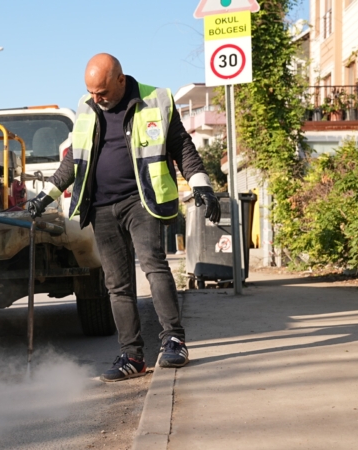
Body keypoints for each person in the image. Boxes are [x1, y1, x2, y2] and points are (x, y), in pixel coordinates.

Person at [28, 53, 220, 382]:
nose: (96, 98)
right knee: (116, 284)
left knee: (154, 266)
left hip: (142, 201)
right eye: (91, 91)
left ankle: (174, 341)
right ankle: (132, 356)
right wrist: (45, 196)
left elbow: (181, 145)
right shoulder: (87, 108)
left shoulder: (155, 100)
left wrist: (202, 184)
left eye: (102, 92)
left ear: (120, 80)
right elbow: (74, 159)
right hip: (101, 206)